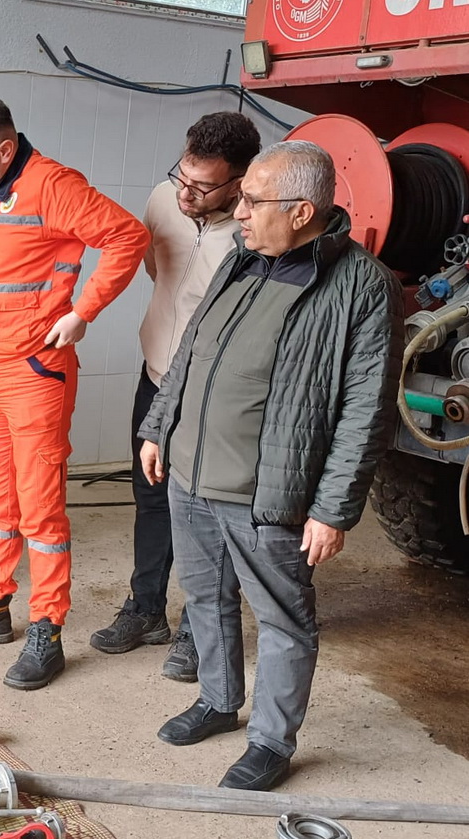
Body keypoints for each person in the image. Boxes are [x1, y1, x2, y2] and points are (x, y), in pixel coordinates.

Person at [140, 141, 399, 791]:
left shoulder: (362, 286)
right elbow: (192, 347)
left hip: (266, 493)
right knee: (204, 595)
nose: (241, 212)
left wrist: (333, 509)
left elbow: (366, 409)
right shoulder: (244, 256)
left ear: (304, 210)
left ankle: (272, 742)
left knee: (283, 619)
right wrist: (158, 429)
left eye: (253, 201)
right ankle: (219, 701)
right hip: (192, 472)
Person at [0, 94, 149, 691]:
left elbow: (128, 236)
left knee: (39, 508)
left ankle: (46, 629)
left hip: (34, 374)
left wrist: (83, 311)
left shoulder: (53, 186)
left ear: (4, 150)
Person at [88, 112, 260, 681]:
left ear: (238, 184)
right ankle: (145, 610)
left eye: (203, 185)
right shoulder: (166, 197)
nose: (186, 192)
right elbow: (151, 267)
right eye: (181, 175)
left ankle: (198, 626)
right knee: (150, 497)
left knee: (211, 513)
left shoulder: (256, 233)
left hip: (215, 396)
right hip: (156, 375)